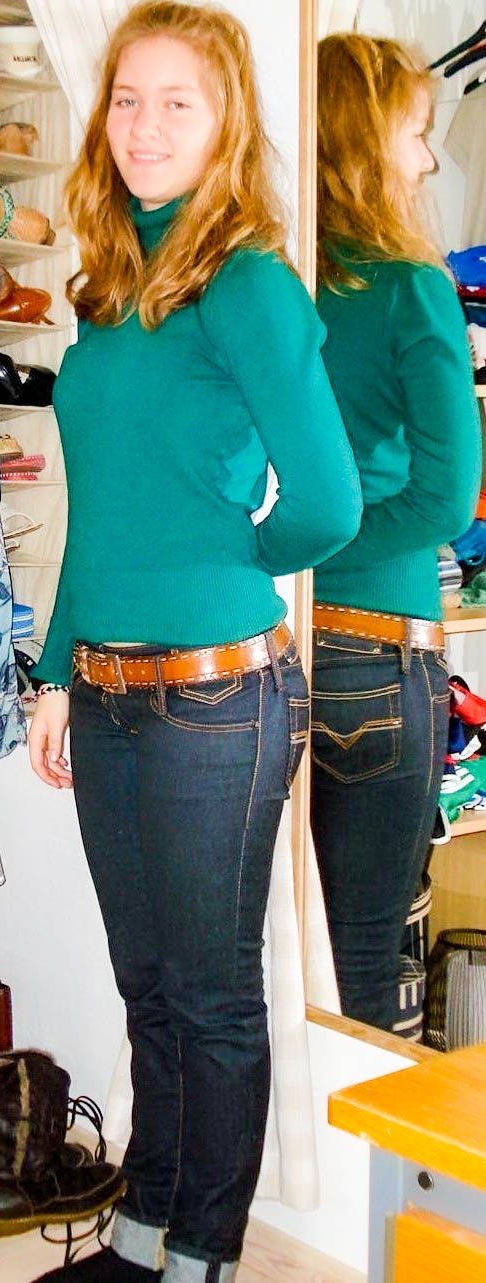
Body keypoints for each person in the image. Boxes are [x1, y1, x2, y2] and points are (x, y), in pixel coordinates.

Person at [28, 5, 361, 1282]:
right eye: (126, 99)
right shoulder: (110, 291)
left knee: (212, 998)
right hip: (106, 693)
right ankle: (141, 1230)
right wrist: (56, 671)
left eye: (178, 101)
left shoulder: (248, 284)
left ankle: (204, 1256)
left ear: (225, 125)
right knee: (148, 985)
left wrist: (225, 566)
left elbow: (327, 501)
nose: (144, 125)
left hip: (219, 701)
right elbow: (100, 513)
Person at [311, 33, 482, 1034]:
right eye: (413, 134)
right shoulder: (408, 285)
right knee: (369, 956)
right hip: (375, 651)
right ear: (362, 142)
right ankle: (362, 1140)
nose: (424, 160)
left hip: (269, 651)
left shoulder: (267, 285)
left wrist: (287, 562)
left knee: (285, 951)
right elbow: (445, 500)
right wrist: (322, 553)